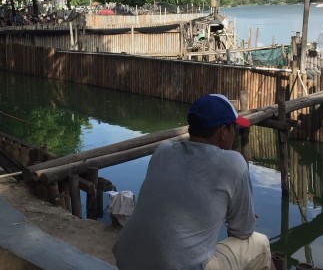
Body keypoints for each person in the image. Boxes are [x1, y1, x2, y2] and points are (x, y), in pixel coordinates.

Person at [112, 94, 273, 270]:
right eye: (235, 128)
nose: (236, 134)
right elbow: (242, 231)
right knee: (260, 244)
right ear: (222, 132)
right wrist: (233, 213)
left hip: (126, 262)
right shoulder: (234, 163)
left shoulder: (163, 151)